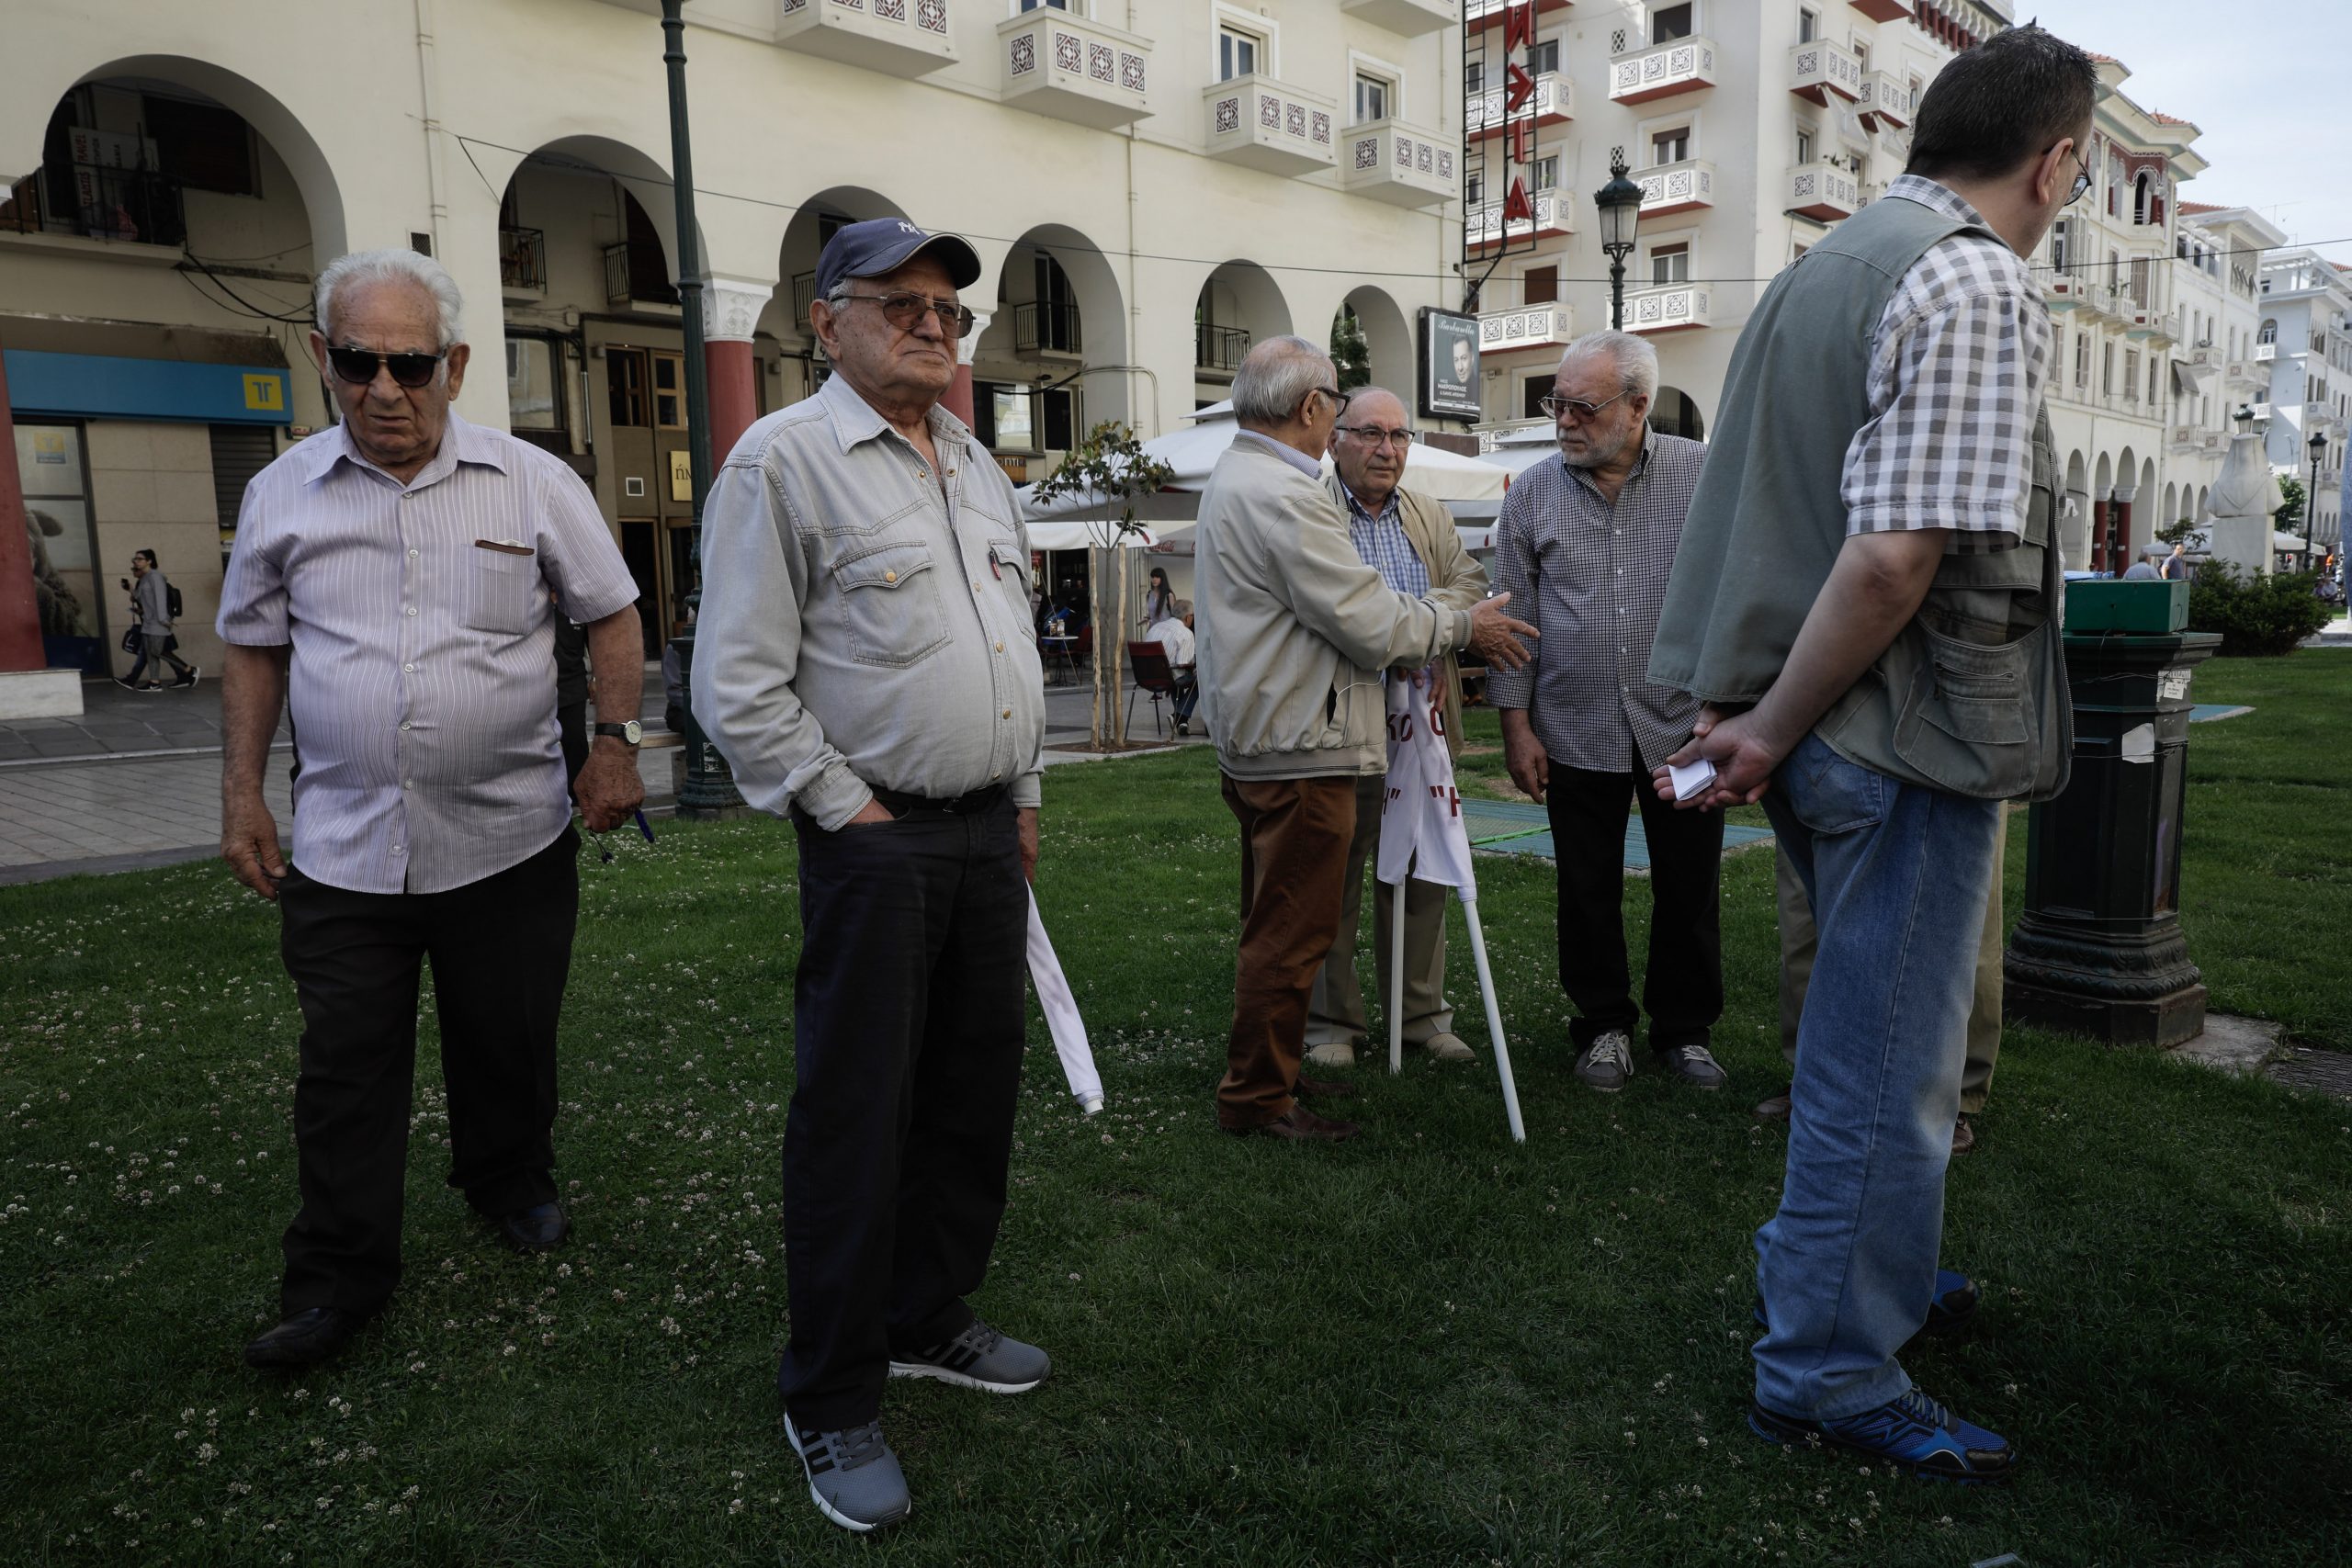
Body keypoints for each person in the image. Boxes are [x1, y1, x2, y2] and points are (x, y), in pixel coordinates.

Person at [1647, 26, 2092, 1483]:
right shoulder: (1973, 275)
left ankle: (1862, 1278)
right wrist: (1771, 730)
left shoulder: (1823, 267)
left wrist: (1755, 711)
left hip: (1818, 716)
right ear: (2060, 160)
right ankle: (1831, 1364)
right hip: (1884, 731)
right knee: (1886, 1064)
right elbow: (1897, 559)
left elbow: (1773, 512)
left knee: (1866, 1042)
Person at [218, 248, 645, 1372]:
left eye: (409, 365)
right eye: (357, 363)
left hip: (509, 834)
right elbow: (254, 650)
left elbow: (611, 615)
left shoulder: (532, 481)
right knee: (344, 1067)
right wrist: (241, 796)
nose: (384, 389)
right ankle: (336, 1279)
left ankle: (510, 1180)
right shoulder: (280, 494)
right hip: (345, 847)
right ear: (323, 358)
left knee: (506, 1035)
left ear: (454, 365)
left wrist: (614, 743)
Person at [692, 219, 1048, 1535]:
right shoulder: (780, 463)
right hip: (875, 840)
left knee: (969, 1093)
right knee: (855, 1115)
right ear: (826, 321)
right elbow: (733, 681)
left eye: (950, 309)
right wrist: (849, 809)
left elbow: (1005, 643)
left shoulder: (973, 464)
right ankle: (830, 1393)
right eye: (901, 303)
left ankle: (924, 1314)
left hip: (980, 835)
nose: (934, 326)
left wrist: (1021, 797)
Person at [1194, 336, 1532, 1142]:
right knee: (1294, 926)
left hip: (1275, 738)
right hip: (1302, 745)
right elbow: (1366, 617)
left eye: (1396, 434)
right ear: (1314, 411)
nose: (1376, 441)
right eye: (1342, 411)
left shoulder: (1242, 476)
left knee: (1281, 918)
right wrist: (1462, 626)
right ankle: (1259, 1100)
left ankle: (1276, 1071)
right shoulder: (1286, 491)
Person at [1488, 333, 1725, 1094]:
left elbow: (1733, 595)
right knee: (1586, 887)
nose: (1564, 421)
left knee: (1688, 885)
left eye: (1582, 408)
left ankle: (1684, 1033)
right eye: (1556, 404)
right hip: (1571, 724)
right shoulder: (1530, 491)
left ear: (1637, 406)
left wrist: (1728, 709)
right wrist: (1515, 726)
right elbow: (1513, 619)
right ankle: (1601, 1028)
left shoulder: (1701, 476)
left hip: (1684, 730)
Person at [1306, 386, 1510, 1070]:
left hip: (1425, 722)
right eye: (1369, 433)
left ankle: (1420, 1015)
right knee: (1335, 876)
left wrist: (1412, 619)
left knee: (1426, 874)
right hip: (1346, 724)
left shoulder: (1425, 512)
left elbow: (1469, 585)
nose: (1387, 449)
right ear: (1336, 438)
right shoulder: (1313, 512)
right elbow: (1343, 614)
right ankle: (1332, 1023)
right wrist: (1416, 622)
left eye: (1398, 436)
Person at [1768, 811, 2008, 1155]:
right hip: (1824, 762)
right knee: (1807, 912)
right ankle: (1815, 1082)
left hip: (1963, 764)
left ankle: (1952, 1094)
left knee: (1961, 915)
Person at [119, 548, 198, 691]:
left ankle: (189, 670)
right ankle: (154, 683)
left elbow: (160, 599)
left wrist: (163, 619)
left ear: (149, 561)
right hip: (148, 620)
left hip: (158, 620)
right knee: (151, 652)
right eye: (134, 559)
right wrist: (130, 589)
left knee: (157, 651)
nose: (136, 561)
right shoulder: (145, 578)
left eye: (139, 559)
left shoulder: (156, 576)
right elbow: (141, 598)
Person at [1144, 596, 1198, 734]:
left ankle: (1182, 722)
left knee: (1174, 676)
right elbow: (1184, 664)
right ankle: (1180, 716)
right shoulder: (1186, 634)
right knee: (1201, 679)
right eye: (1193, 616)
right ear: (1187, 617)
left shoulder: (1155, 627)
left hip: (1147, 676)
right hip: (1169, 676)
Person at [1140, 565, 1174, 630]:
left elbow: (1174, 614)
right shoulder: (1149, 594)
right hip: (1153, 629)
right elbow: (1151, 613)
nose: (1154, 579)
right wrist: (1146, 618)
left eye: (1157, 577)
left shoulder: (1168, 595)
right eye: (1152, 577)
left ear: (1162, 578)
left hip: (1166, 629)